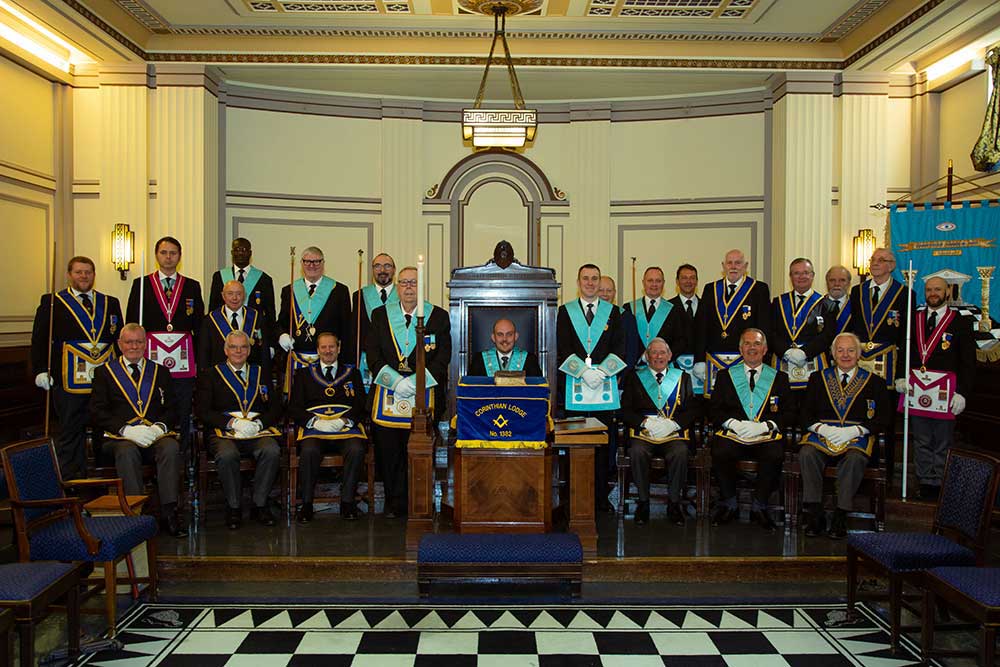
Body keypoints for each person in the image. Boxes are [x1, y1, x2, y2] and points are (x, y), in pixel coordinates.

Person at [366, 266, 451, 518]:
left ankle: (419, 502)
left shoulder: (438, 316)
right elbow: (373, 355)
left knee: (417, 449)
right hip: (388, 393)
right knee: (389, 450)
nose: (409, 287)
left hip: (423, 393)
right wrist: (395, 382)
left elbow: (442, 356)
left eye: (414, 282)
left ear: (421, 286)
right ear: (397, 285)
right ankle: (394, 502)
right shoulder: (380, 315)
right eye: (404, 283)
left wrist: (417, 382)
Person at [90, 324, 186, 537]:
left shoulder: (160, 371)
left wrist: (159, 427)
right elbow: (97, 411)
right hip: (120, 438)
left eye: (139, 342)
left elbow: (172, 408)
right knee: (126, 452)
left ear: (146, 344)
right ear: (120, 345)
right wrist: (125, 430)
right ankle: (136, 514)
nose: (134, 346)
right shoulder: (104, 373)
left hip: (153, 436)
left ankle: (169, 512)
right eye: (129, 342)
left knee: (170, 447)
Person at [31, 256, 123, 478]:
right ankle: (72, 481)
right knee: (71, 431)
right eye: (79, 272)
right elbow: (40, 339)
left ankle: (104, 479)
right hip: (68, 379)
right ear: (69, 274)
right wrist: (41, 369)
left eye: (88, 272)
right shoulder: (53, 302)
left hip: (104, 379)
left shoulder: (110, 302)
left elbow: (119, 340)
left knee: (104, 429)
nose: (84, 276)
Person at [798, 332, 889, 539]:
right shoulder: (818, 378)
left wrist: (856, 431)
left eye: (850, 350)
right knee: (806, 453)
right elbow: (804, 414)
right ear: (832, 354)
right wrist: (822, 429)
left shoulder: (875, 382)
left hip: (856, 437)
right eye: (840, 350)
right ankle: (815, 512)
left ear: (859, 354)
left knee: (855, 459)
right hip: (822, 435)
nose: (845, 355)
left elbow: (883, 418)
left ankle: (841, 514)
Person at [557, 264, 627, 512]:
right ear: (578, 281)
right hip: (575, 385)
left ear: (599, 282)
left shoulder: (613, 313)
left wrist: (602, 372)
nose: (590, 282)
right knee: (574, 441)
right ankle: (573, 497)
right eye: (585, 278)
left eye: (594, 279)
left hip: (603, 387)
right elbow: (563, 348)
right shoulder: (565, 312)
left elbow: (621, 347)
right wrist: (584, 371)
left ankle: (599, 498)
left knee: (601, 444)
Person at [898, 276, 976, 500]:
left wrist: (963, 392)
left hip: (946, 392)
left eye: (938, 290)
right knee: (921, 439)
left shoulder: (960, 322)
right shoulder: (915, 319)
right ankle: (924, 482)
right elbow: (905, 351)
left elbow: (968, 362)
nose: (933, 293)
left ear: (947, 292)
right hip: (917, 390)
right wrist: (900, 377)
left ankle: (940, 484)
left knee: (942, 441)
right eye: (929, 290)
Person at [196, 330, 282, 529]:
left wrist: (260, 423)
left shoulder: (261, 373)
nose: (238, 351)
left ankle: (259, 504)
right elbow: (202, 411)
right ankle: (233, 507)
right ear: (226, 350)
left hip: (256, 431)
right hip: (224, 433)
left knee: (271, 450)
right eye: (234, 347)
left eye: (243, 347)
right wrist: (232, 423)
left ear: (249, 350)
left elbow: (276, 408)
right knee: (227, 454)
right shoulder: (211, 375)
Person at [126, 237, 204, 456]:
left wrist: (197, 360)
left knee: (182, 408)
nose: (168, 257)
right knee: (154, 406)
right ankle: (153, 455)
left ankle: (182, 459)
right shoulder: (141, 285)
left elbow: (198, 326)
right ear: (156, 255)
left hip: (183, 360)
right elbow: (132, 323)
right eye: (163, 252)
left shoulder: (191, 286)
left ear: (180, 256)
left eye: (173, 253)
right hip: (151, 360)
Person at [709, 328, 792, 532]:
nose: (752, 348)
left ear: (765, 349)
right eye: (747, 344)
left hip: (765, 435)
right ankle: (729, 503)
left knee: (774, 453)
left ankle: (760, 506)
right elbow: (714, 409)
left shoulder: (779, 378)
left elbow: (789, 412)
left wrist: (766, 425)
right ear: (740, 349)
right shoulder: (725, 375)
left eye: (756, 344)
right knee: (720, 451)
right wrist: (733, 424)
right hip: (734, 434)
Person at [847, 247, 915, 482]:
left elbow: (908, 337)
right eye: (873, 260)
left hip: (888, 365)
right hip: (860, 364)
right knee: (859, 412)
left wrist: (903, 373)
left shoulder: (905, 293)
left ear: (892, 265)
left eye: (881, 260)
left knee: (883, 418)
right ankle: (859, 465)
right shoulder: (858, 291)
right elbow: (853, 326)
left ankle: (883, 475)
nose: (875, 263)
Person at [289, 332, 367, 522]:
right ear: (317, 350)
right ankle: (306, 505)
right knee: (308, 451)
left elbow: (361, 404)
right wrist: (315, 421)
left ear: (339, 348)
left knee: (356, 449)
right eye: (323, 347)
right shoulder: (303, 374)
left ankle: (348, 503)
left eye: (332, 346)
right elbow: (294, 406)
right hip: (315, 429)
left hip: (345, 428)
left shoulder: (353, 373)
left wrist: (345, 421)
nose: (328, 351)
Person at [621, 338, 696, 526]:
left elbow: (692, 409)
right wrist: (644, 422)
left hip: (672, 433)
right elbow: (625, 410)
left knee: (680, 452)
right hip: (645, 432)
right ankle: (643, 503)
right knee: (637, 451)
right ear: (647, 356)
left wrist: (675, 424)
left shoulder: (683, 377)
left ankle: (674, 504)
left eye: (662, 353)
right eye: (654, 352)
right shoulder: (635, 377)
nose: (658, 357)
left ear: (670, 356)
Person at [693, 249, 771, 396]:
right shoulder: (711, 289)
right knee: (715, 403)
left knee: (743, 399)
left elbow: (764, 328)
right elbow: (701, 326)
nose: (733, 266)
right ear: (723, 266)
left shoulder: (758, 289)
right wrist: (699, 359)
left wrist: (763, 360)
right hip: (714, 360)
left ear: (745, 266)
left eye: (738, 263)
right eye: (729, 263)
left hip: (746, 359)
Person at [277, 246, 353, 389]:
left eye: (316, 261)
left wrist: (345, 361)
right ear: (302, 263)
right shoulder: (289, 290)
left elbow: (346, 329)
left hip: (328, 360)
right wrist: (282, 334)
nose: (312, 265)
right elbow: (282, 322)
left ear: (323, 263)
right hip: (297, 359)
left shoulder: (339, 290)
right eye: (307, 261)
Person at [769, 258, 831, 394]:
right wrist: (787, 352)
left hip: (812, 364)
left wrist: (804, 352)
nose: (801, 277)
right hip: (783, 362)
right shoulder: (778, 302)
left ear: (812, 275)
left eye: (805, 272)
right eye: (796, 273)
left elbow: (827, 336)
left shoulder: (826, 304)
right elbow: (771, 332)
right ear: (790, 276)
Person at [199, 280, 274, 381]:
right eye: (230, 294)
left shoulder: (256, 317)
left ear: (244, 296)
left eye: (239, 294)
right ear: (223, 295)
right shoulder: (210, 320)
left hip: (251, 378)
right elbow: (204, 354)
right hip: (219, 379)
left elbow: (264, 353)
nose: (234, 298)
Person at [622, 267, 687, 367]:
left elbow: (680, 341)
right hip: (636, 369)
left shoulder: (674, 310)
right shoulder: (630, 308)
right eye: (650, 280)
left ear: (663, 283)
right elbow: (623, 341)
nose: (654, 284)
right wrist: (640, 357)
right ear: (643, 282)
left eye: (658, 281)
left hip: (664, 368)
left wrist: (664, 357)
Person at [352, 253, 399, 385]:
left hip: (396, 359)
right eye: (377, 266)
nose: (382, 270)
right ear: (372, 270)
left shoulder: (403, 296)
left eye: (387, 266)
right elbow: (355, 332)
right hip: (367, 360)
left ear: (394, 269)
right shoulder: (360, 296)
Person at [208, 237, 276, 324]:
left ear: (250, 253)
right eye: (237, 250)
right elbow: (213, 309)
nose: (240, 253)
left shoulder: (264, 279)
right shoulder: (218, 277)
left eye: (244, 250)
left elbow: (270, 315)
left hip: (253, 332)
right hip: (224, 331)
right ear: (232, 253)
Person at [467, 318, 542, 377]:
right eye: (500, 334)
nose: (504, 339)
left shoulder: (530, 360)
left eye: (509, 334)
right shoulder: (478, 361)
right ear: (493, 337)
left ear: (516, 336)